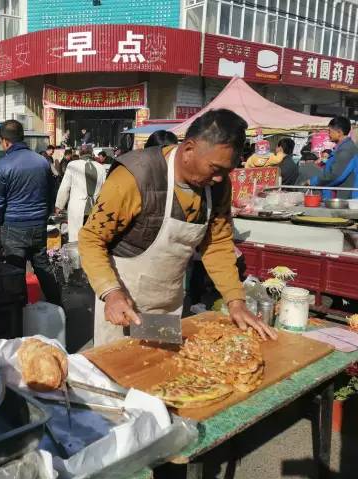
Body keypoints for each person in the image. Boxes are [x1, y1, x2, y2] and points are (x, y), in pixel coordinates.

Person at [78, 109, 277, 346]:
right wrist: (110, 292)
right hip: (122, 303)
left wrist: (236, 301)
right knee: (119, 374)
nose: (220, 179)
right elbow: (91, 238)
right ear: (189, 149)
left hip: (169, 302)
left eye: (227, 171)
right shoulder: (136, 176)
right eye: (215, 168)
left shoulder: (217, 187)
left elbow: (217, 244)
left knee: (163, 374)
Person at [0, 120, 61, 305]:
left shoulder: (2, 165)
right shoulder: (42, 161)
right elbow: (52, 192)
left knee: (15, 272)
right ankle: (58, 306)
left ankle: (20, 316)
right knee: (43, 266)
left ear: (5, 141)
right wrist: (44, 215)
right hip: (38, 224)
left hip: (13, 226)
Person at [55, 144, 107, 242]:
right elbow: (105, 190)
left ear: (79, 153)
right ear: (92, 153)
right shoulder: (101, 168)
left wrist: (59, 206)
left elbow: (64, 187)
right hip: (95, 209)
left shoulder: (72, 165)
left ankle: (77, 255)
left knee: (76, 238)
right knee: (92, 238)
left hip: (77, 208)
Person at [308, 116, 358, 199]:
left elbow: (335, 176)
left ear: (339, 132)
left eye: (330, 131)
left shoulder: (346, 150)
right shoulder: (341, 148)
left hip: (347, 199)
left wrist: (313, 181)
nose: (328, 134)